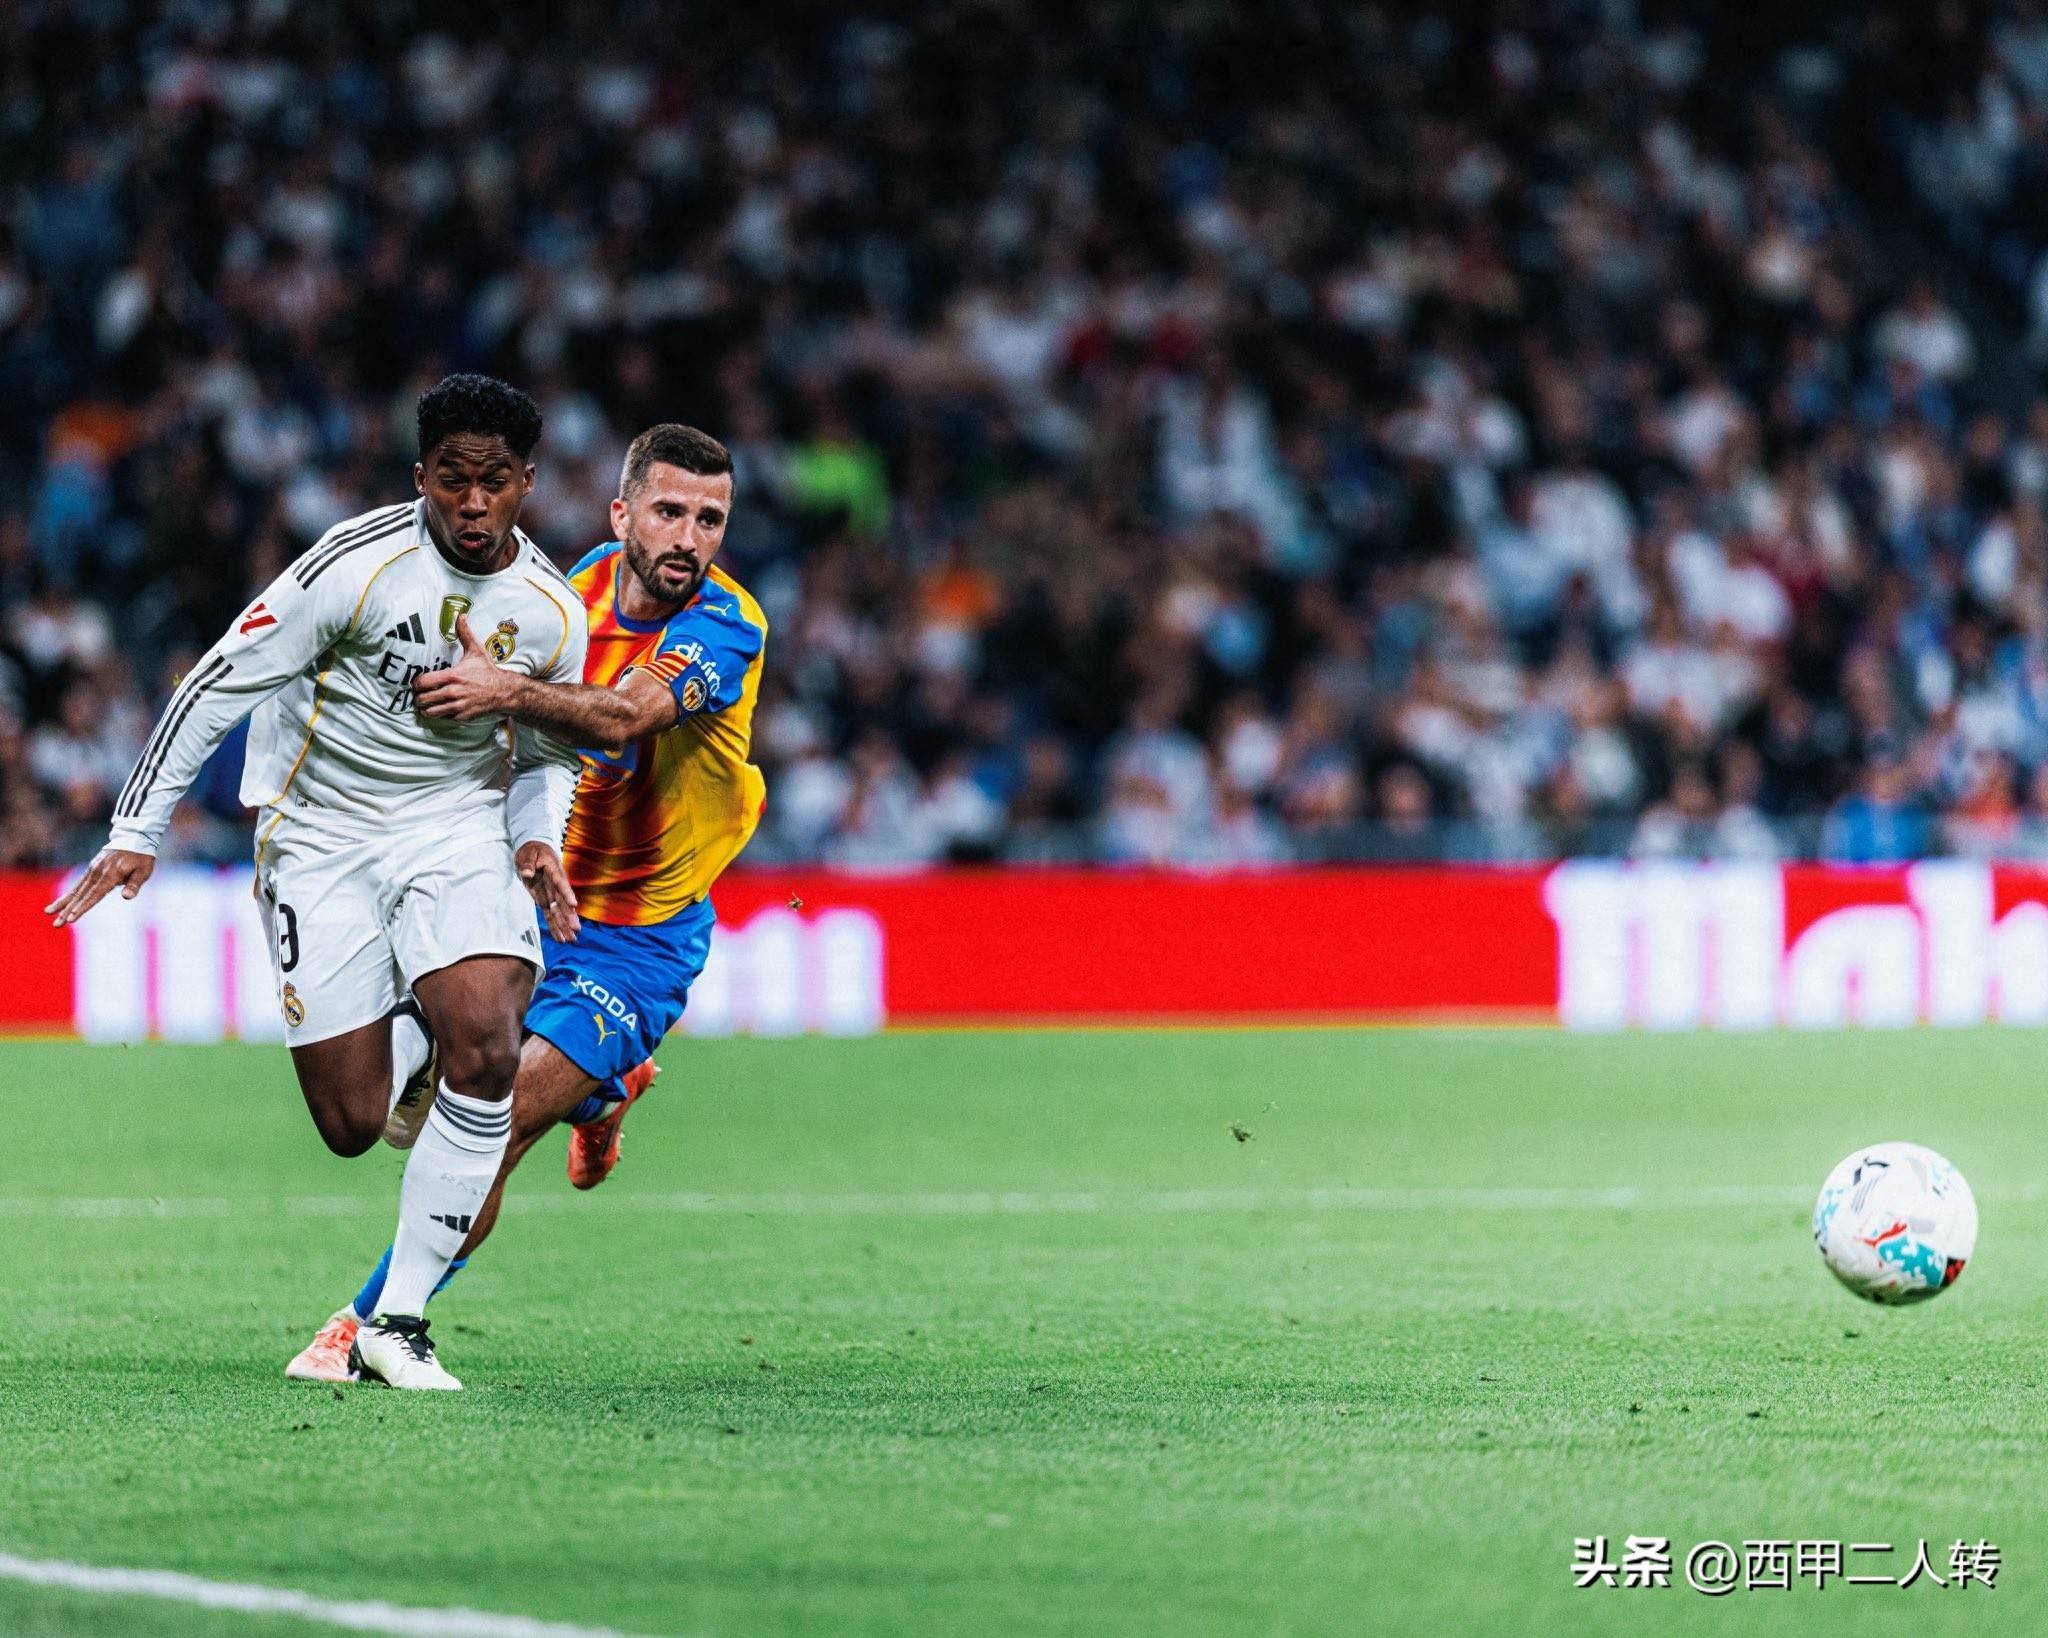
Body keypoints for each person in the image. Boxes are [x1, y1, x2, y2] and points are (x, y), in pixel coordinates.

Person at [47, 374, 587, 1391]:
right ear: (420, 476)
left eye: (495, 481)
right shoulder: (353, 565)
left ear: (528, 481)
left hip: (455, 826)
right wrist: (137, 829)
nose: (473, 502)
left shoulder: (553, 612)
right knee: (350, 1124)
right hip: (321, 833)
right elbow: (217, 681)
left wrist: (535, 841)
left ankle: (399, 1321)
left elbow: (548, 754)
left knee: (489, 1041)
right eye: (453, 478)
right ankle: (415, 1033)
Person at [286, 422, 769, 1384]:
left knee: (493, 1125)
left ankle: (372, 1321)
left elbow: (626, 716)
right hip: (529, 902)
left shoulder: (726, 625)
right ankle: (601, 1089)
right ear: (621, 513)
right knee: (415, 1102)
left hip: (638, 940)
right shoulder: (563, 594)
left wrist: (501, 689)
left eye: (710, 520)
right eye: (669, 511)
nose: (689, 538)